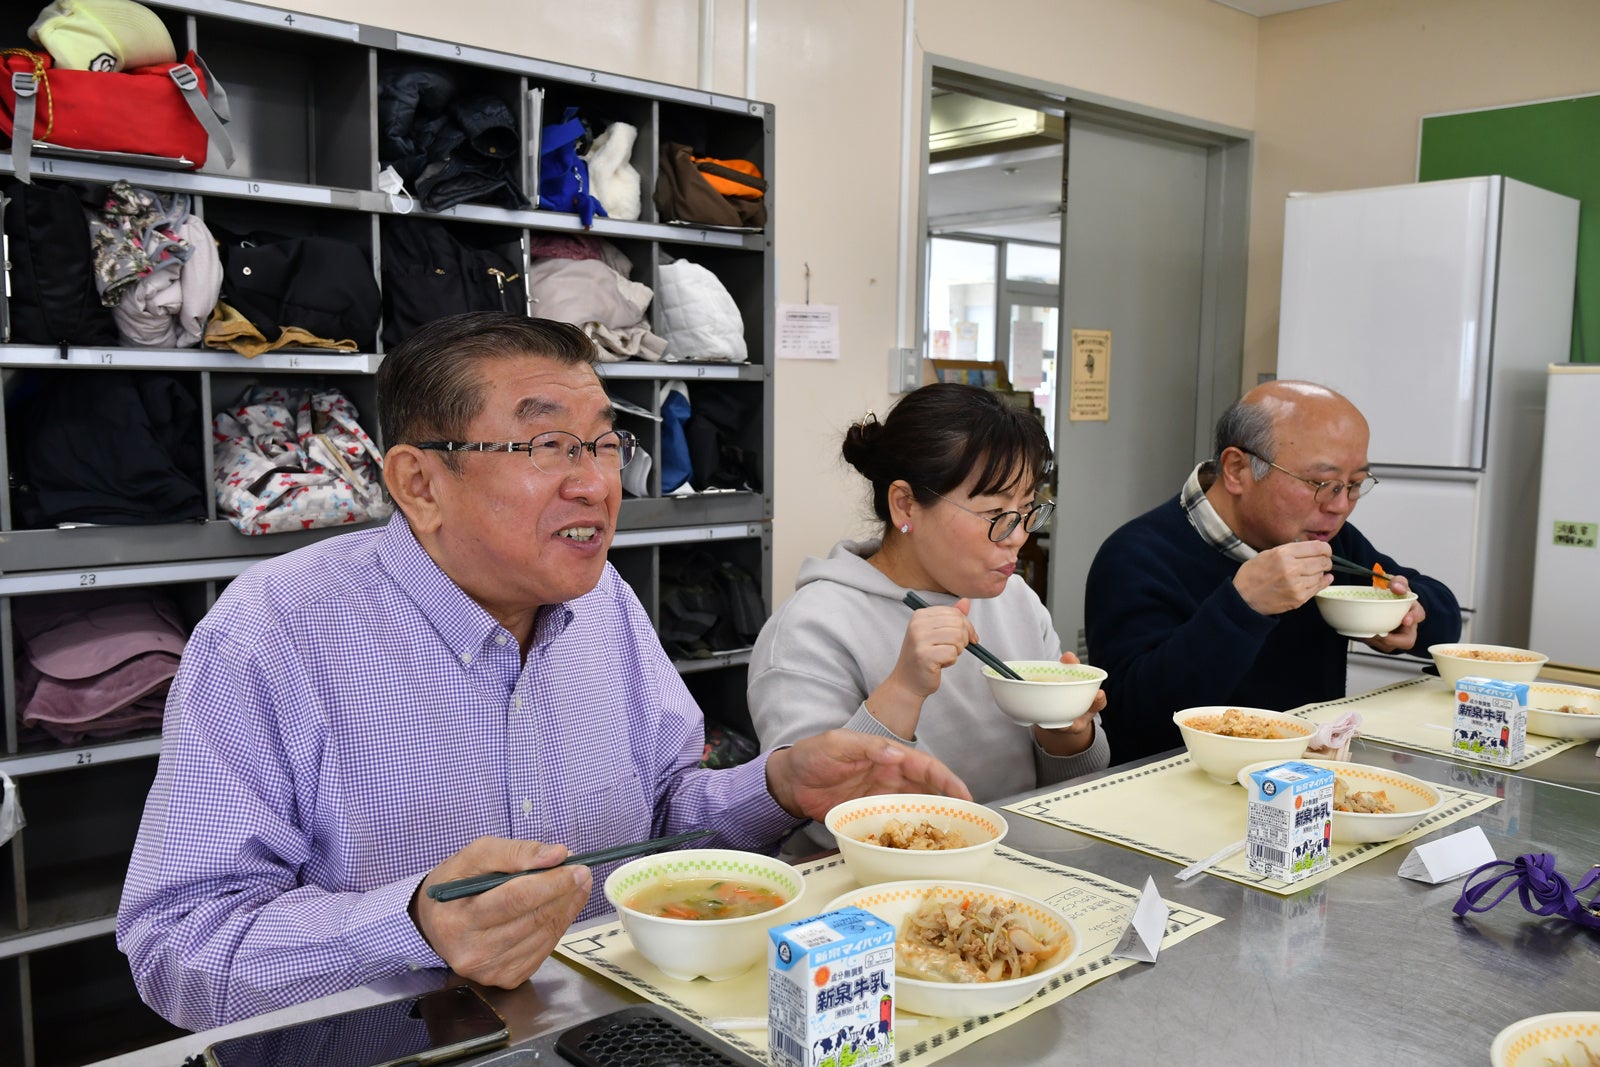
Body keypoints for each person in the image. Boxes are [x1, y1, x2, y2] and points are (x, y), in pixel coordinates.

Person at [116, 313, 968, 1031]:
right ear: (419, 483)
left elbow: (667, 818)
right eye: (552, 443)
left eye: (606, 443)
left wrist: (778, 787)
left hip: (609, 1030)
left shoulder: (606, 606)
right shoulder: (273, 633)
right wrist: (412, 924)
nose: (596, 484)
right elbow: (178, 945)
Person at [749, 383, 1108, 849]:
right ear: (905, 504)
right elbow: (816, 819)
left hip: (1011, 870)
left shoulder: (1014, 599)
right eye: (996, 512)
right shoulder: (811, 628)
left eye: (1027, 509)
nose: (1018, 537)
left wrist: (1068, 734)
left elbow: (1067, 784)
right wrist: (903, 688)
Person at [1084, 379, 1461, 764]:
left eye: (1355, 485)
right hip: (1178, 788)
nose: (1340, 505)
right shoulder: (1138, 555)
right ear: (1236, 470)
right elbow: (1132, 718)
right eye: (1322, 483)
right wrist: (1242, 606)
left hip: (1301, 786)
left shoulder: (1331, 544)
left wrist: (1409, 615)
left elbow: (1446, 623)